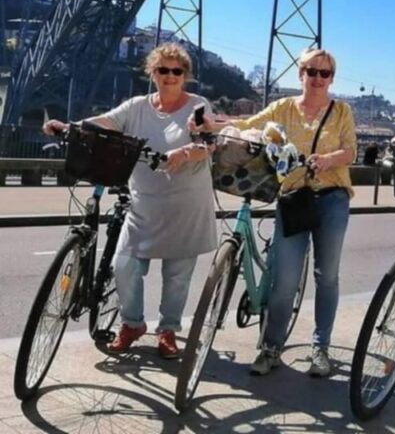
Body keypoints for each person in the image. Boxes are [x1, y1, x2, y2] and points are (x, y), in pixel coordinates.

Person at [43, 42, 217, 359]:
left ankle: (167, 331)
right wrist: (69, 127)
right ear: (152, 73)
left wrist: (186, 152)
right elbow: (105, 121)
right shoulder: (137, 106)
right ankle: (133, 324)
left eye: (176, 71)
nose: (169, 76)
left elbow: (208, 142)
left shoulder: (198, 105)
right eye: (162, 70)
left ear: (185, 75)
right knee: (124, 265)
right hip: (144, 202)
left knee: (177, 277)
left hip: (186, 204)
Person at [195, 48, 356, 378]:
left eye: (324, 74)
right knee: (284, 280)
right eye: (311, 71)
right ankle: (271, 348)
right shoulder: (283, 107)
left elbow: (350, 150)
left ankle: (320, 348)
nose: (317, 79)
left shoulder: (342, 111)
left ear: (332, 79)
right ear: (300, 74)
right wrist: (213, 123)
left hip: (332, 199)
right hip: (293, 197)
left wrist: (328, 160)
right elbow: (248, 123)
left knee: (327, 276)